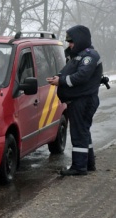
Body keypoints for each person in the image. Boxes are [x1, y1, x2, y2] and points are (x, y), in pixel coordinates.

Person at [46, 25, 102, 176]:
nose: (69, 44)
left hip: (83, 101)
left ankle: (79, 167)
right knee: (83, 132)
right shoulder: (78, 55)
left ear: (80, 40)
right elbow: (70, 71)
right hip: (78, 100)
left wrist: (61, 81)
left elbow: (82, 76)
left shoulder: (89, 56)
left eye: (71, 41)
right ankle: (88, 164)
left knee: (78, 133)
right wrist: (59, 77)